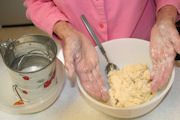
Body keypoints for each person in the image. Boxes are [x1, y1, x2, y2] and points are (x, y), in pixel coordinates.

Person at [24, 0, 180, 101]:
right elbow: (37, 2)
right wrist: (65, 30)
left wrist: (166, 16)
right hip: (83, 57)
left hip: (145, 44)